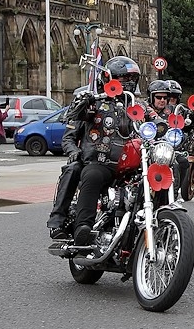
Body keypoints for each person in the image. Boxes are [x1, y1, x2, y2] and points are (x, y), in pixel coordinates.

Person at [52, 56, 150, 245]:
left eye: (131, 79)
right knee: (92, 174)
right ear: (108, 78)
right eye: (123, 78)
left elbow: (157, 123)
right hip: (101, 162)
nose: (127, 83)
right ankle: (83, 227)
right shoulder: (94, 102)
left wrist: (173, 128)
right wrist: (82, 103)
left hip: (133, 164)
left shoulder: (140, 106)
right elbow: (71, 125)